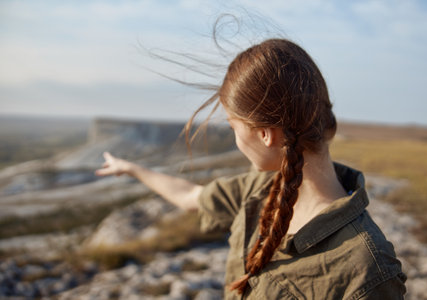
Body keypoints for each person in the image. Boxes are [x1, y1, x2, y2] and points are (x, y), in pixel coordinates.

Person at [96, 38, 406, 299]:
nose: (235, 140)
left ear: (265, 134)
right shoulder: (257, 188)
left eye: (233, 127)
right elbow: (191, 197)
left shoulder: (369, 269)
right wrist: (131, 168)